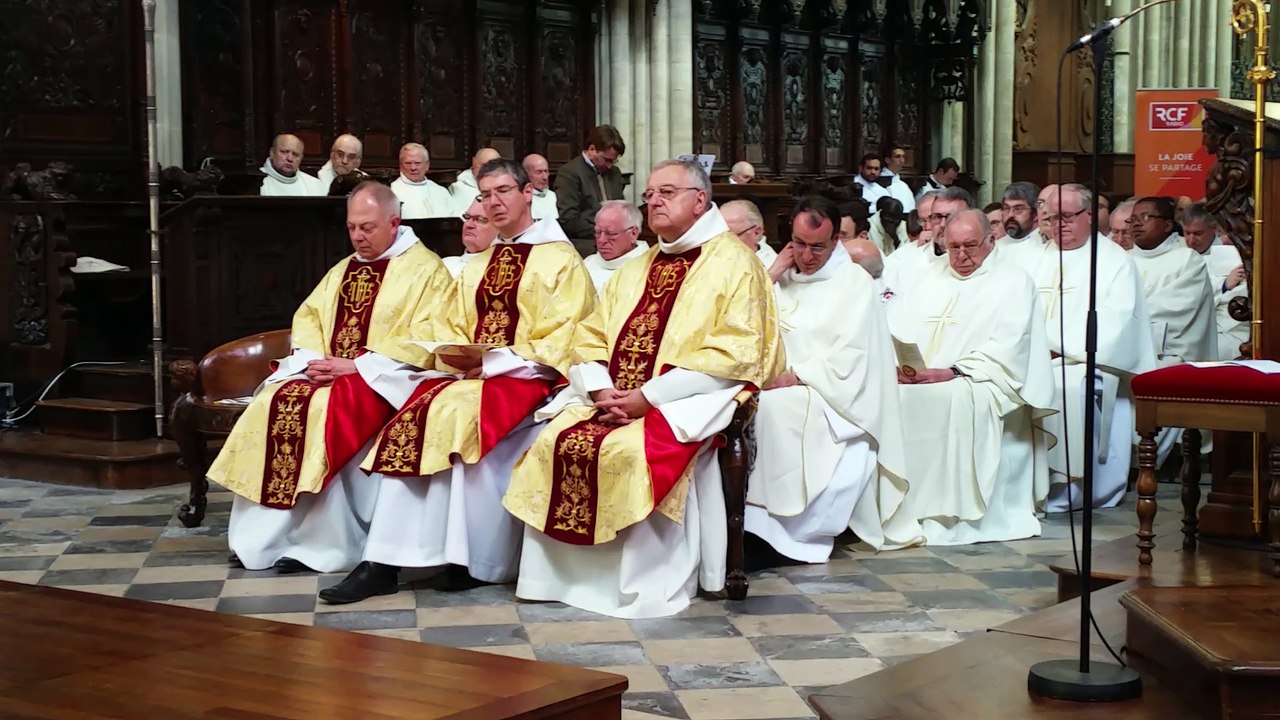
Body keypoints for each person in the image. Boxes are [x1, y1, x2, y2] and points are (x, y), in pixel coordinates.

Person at [502, 158, 783, 618]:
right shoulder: (638, 267)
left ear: (700, 200)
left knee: (630, 453)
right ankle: (551, 579)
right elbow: (589, 335)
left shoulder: (734, 264)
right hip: (618, 397)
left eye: (666, 192)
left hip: (694, 396)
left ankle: (640, 586)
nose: (654, 201)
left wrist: (647, 398)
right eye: (650, 193)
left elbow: (737, 355)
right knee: (554, 438)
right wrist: (598, 390)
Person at [317, 158, 596, 605]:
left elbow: (568, 336)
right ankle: (384, 560)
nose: (495, 202)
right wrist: (455, 353)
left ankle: (473, 561)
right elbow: (448, 321)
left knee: (456, 414)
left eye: (504, 190)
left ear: (529, 194)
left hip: (529, 376)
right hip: (471, 375)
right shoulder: (480, 261)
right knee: (414, 412)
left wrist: (497, 362)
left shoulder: (561, 261)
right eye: (486, 195)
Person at [210, 182, 453, 573]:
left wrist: (358, 366)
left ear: (395, 222)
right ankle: (261, 539)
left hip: (387, 379)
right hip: (334, 371)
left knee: (323, 409)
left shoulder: (427, 272)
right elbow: (309, 319)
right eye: (352, 227)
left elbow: (428, 337)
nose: (358, 236)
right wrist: (313, 360)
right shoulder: (345, 268)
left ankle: (321, 544)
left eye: (368, 227)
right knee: (276, 399)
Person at [746, 196, 916, 559]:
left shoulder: (852, 282)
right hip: (775, 382)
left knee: (775, 409)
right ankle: (739, 521)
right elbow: (739, 322)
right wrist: (773, 274)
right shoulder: (776, 277)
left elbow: (851, 357)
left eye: (818, 247)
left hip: (833, 396)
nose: (806, 256)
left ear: (836, 241)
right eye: (799, 244)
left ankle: (779, 529)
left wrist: (798, 375)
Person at [890, 210, 1058, 544]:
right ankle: (902, 509)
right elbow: (897, 325)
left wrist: (954, 371)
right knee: (893, 397)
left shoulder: (1013, 281)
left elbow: (1011, 348)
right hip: (925, 378)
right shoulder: (927, 277)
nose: (962, 256)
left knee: (946, 398)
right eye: (953, 247)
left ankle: (947, 512)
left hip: (982, 381)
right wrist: (903, 365)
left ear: (991, 241)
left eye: (971, 246)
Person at [1005, 185, 1155, 511]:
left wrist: (1060, 350)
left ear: (1089, 215)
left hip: (1084, 362)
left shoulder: (1114, 262)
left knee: (1062, 388)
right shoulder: (1030, 257)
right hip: (1030, 356)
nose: (1059, 225)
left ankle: (1065, 486)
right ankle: (1015, 482)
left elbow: (1118, 326)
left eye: (1067, 217)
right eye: (1051, 217)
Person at [1128, 196, 1215, 368]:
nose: (1137, 224)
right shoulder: (1123, 261)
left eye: (1145, 217)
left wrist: (1122, 317)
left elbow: (1170, 309)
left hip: (1173, 358)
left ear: (1168, 225)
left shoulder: (1188, 259)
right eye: (1133, 220)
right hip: (1129, 353)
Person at [1182, 203, 1248, 359]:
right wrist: (1223, 286)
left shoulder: (1232, 253)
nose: (1191, 240)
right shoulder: (1177, 252)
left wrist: (1224, 288)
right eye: (1187, 233)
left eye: (1198, 233)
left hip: (1231, 328)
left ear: (1214, 229)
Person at [556, 125, 627, 242]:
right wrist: (604, 233)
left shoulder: (614, 173)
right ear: (592, 149)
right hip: (586, 241)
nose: (610, 166)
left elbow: (620, 208)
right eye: (607, 160)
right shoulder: (569, 173)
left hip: (615, 238)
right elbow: (569, 219)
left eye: (613, 161)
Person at [583, 200, 649, 291]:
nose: (601, 240)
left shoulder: (648, 268)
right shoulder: (588, 263)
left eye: (611, 233)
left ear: (633, 233)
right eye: (598, 232)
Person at [390, 143, 454, 219]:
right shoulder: (392, 191)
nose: (413, 168)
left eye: (418, 163)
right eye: (408, 163)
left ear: (427, 165)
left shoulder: (441, 191)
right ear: (400, 166)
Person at [442, 200, 500, 277]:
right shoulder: (444, 264)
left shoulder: (504, 272)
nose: (469, 224)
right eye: (467, 217)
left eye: (480, 219)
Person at [259, 133, 326, 196]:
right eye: (284, 152)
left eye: (295, 154)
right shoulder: (256, 183)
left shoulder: (315, 185)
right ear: (272, 152)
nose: (290, 158)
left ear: (301, 158)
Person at [721, 198, 778, 268]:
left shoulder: (771, 265)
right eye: (719, 235)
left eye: (731, 236)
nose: (722, 241)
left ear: (756, 233)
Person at [450, 147, 502, 215]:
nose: (488, 170)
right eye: (484, 165)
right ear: (474, 161)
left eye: (493, 166)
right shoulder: (458, 187)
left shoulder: (504, 186)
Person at [879, 144, 917, 213]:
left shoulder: (904, 185)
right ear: (888, 160)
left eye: (903, 157)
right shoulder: (880, 182)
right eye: (897, 157)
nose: (902, 161)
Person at [523, 153, 559, 220]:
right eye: (539, 172)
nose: (545, 177)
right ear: (526, 174)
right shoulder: (522, 198)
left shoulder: (553, 196)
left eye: (546, 171)